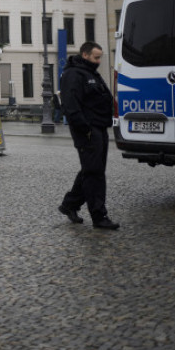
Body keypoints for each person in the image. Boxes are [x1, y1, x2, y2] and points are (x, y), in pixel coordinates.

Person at [58, 41, 120, 230]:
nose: (99, 61)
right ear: (85, 55)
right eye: (96, 57)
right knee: (94, 173)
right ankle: (99, 216)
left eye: (100, 57)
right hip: (88, 130)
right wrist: (86, 129)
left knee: (92, 169)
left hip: (99, 127)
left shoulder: (90, 73)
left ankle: (69, 204)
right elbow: (71, 106)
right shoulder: (73, 75)